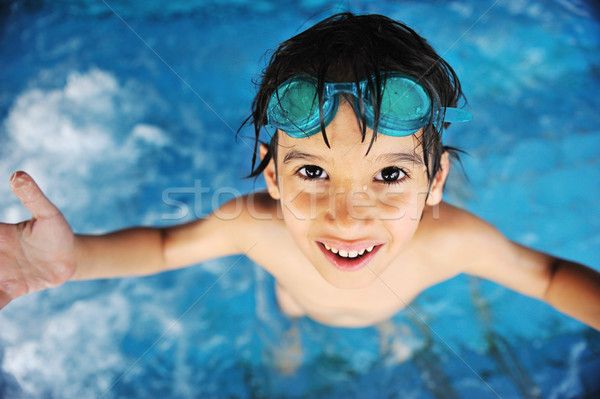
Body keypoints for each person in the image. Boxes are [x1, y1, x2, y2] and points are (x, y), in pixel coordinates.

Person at [1, 13, 599, 330]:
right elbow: (160, 247)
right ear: (273, 179)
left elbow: (548, 277)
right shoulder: (252, 226)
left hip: (393, 296)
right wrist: (73, 259)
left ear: (434, 183)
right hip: (298, 297)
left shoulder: (455, 241)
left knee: (391, 315)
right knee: (291, 316)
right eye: (313, 170)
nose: (347, 214)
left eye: (390, 176)